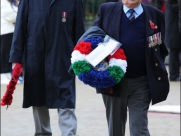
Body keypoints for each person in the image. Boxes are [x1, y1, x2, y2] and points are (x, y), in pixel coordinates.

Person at [9, 0, 85, 136]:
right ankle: (42, 133)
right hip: (35, 58)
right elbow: (20, 29)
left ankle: (69, 134)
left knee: (66, 99)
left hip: (63, 58)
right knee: (37, 99)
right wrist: (16, 59)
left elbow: (79, 31)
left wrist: (82, 57)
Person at [94, 0, 169, 136]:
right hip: (114, 81)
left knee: (139, 129)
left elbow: (160, 49)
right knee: (115, 130)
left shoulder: (155, 15)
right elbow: (94, 38)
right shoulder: (106, 10)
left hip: (142, 82)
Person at [0, 0, 18, 84]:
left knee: (9, 54)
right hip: (5, 31)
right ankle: (2, 74)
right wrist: (19, 17)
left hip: (11, 31)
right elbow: (11, 15)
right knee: (4, 53)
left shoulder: (11, 2)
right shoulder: (3, 2)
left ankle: (7, 73)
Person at [165, 0, 181, 81]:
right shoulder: (172, 5)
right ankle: (173, 75)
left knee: (175, 54)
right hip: (173, 33)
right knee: (174, 54)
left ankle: (175, 74)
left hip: (174, 33)